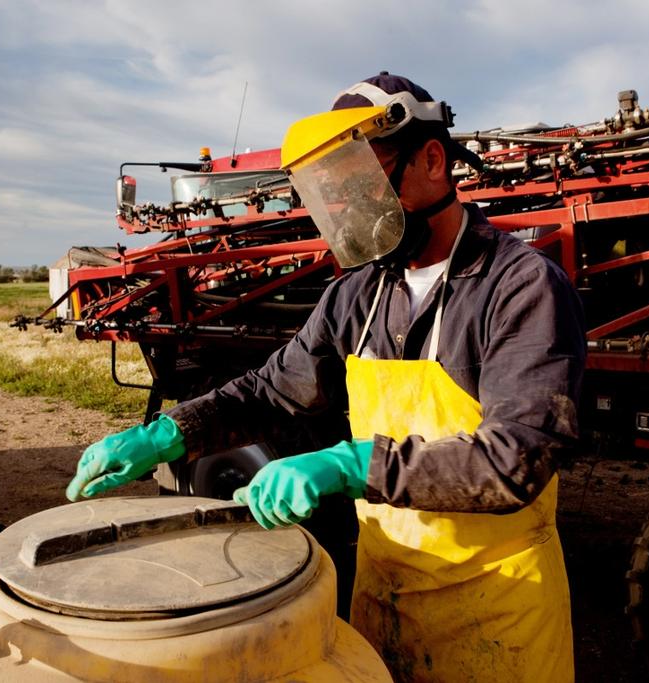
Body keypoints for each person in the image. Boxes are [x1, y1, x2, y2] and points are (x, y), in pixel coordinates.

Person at [66, 72, 586, 682]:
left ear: (433, 160)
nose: (349, 206)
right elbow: (270, 392)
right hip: (385, 595)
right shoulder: (357, 294)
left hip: (498, 614)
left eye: (364, 180)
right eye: (336, 189)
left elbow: (515, 457)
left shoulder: (520, 286)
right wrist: (167, 434)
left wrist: (347, 465)